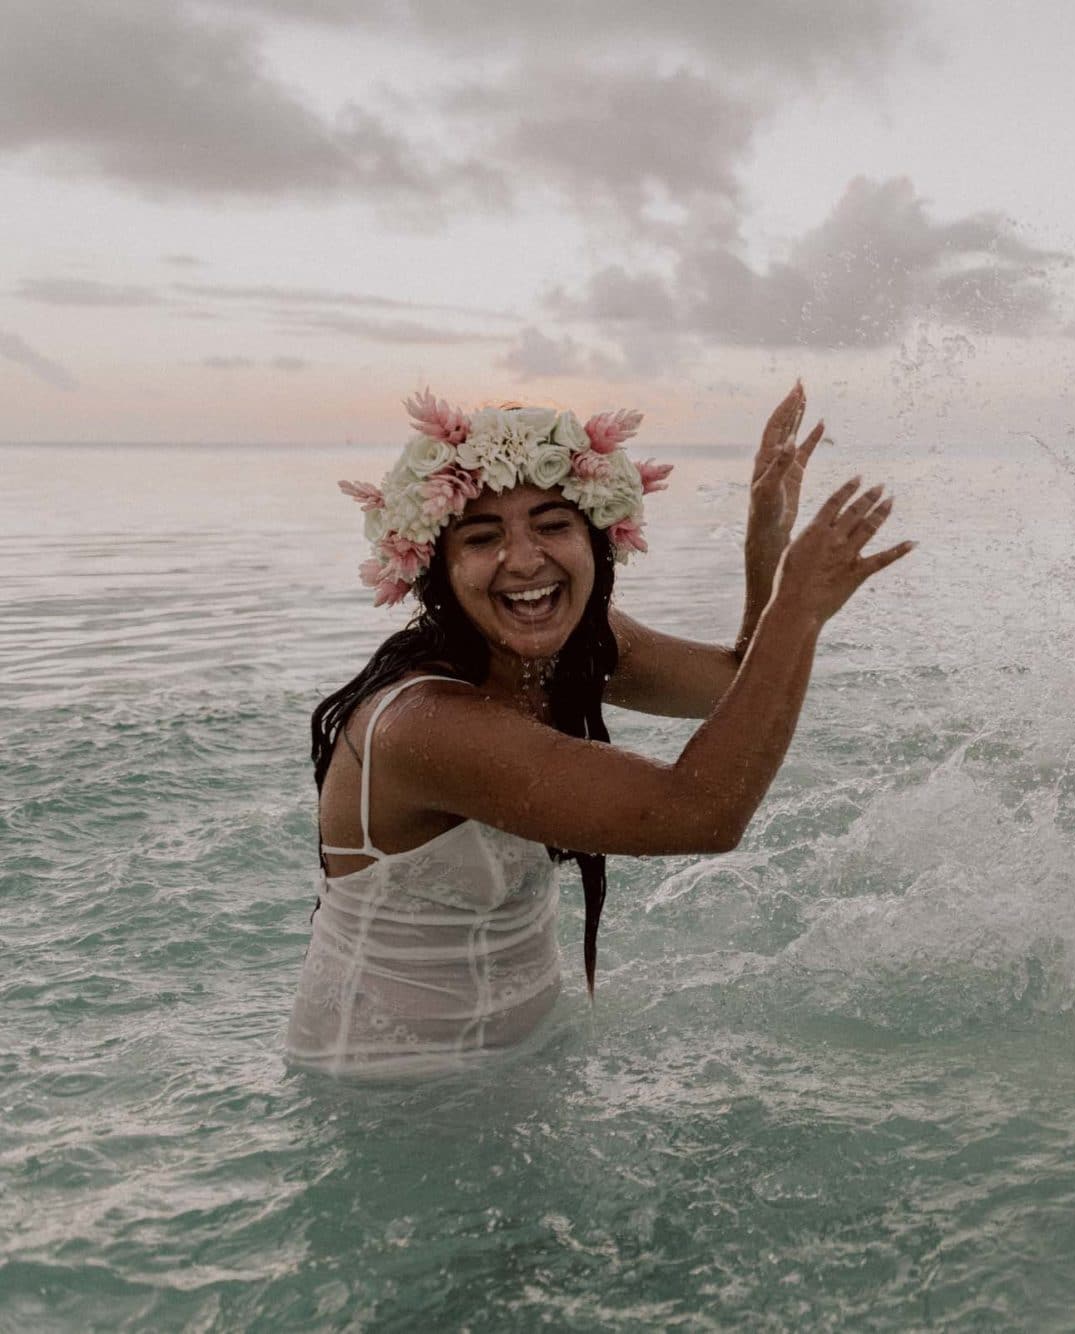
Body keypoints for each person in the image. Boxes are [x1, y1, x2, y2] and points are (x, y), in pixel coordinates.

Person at [286, 384, 912, 1075]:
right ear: (438, 569)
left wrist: (765, 545)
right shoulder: (425, 725)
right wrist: (799, 610)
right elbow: (703, 813)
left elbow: (737, 688)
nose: (524, 561)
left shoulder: (577, 645)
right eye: (483, 537)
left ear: (597, 543)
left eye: (553, 525)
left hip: (517, 1065)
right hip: (388, 1097)